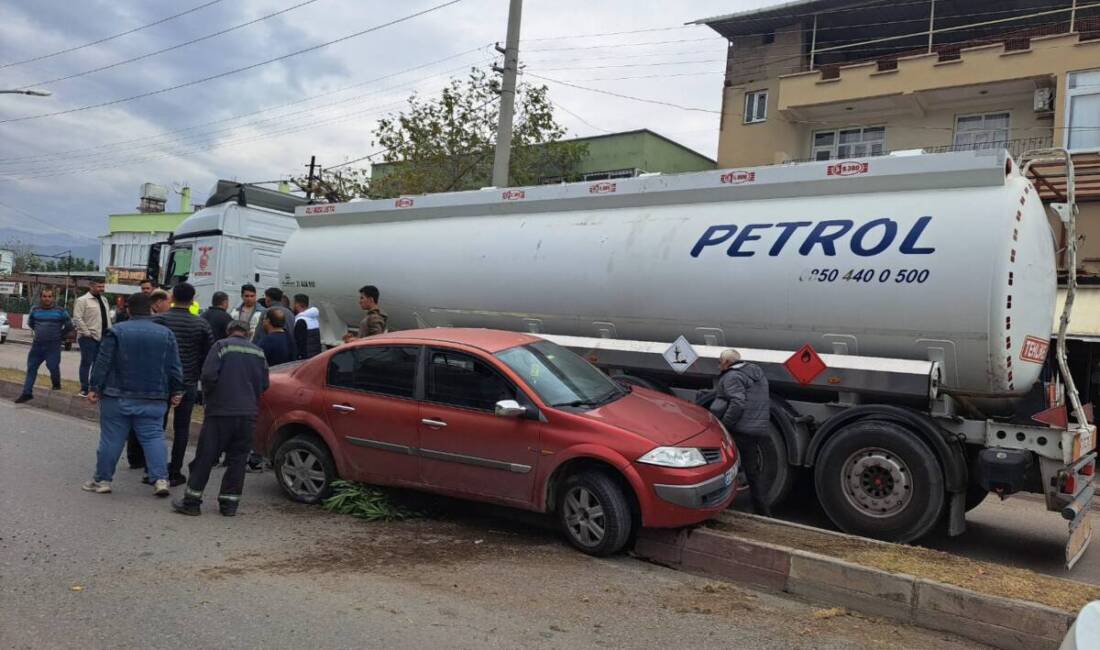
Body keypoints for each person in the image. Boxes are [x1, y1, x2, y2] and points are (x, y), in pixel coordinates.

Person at [81, 292, 184, 497]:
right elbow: (174, 365)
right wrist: (177, 390)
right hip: (154, 396)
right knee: (154, 437)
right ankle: (161, 479)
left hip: (117, 395)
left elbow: (103, 362)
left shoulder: (116, 331)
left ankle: (103, 481)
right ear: (151, 308)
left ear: (128, 309)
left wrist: (94, 388)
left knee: (112, 439)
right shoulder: (166, 333)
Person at [172, 319, 269, 517]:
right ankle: (229, 505)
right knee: (238, 460)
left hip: (221, 412)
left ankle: (192, 502)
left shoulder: (221, 346)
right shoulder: (258, 352)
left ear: (228, 331)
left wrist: (211, 397)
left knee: (206, 457)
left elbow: (208, 376)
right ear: (248, 333)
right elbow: (265, 383)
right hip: (248, 414)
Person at [154, 282, 215, 486]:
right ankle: (174, 471)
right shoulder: (201, 324)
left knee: (156, 427)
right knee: (182, 428)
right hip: (187, 381)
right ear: (192, 299)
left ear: (172, 298)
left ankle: (154, 469)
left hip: (160, 380)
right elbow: (209, 355)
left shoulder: (160, 321)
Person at [710, 348, 772, 516]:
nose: (719, 366)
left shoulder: (732, 376)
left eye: (720, 362)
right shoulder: (756, 373)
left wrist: (724, 425)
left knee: (723, 466)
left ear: (727, 363)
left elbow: (737, 403)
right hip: (756, 428)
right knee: (752, 471)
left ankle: (719, 504)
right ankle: (763, 511)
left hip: (741, 429)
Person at [15, 288, 73, 404]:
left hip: (53, 346)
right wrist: (40, 331)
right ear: (41, 297)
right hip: (37, 346)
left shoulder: (61, 311)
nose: (47, 299)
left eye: (49, 296)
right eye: (45, 296)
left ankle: (56, 384)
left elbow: (69, 325)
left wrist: (60, 335)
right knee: (31, 368)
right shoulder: (35, 309)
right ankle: (27, 393)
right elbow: (31, 323)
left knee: (53, 367)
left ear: (53, 298)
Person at [72, 280, 111, 397]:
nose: (101, 288)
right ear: (91, 286)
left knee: (98, 364)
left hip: (103, 337)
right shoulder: (82, 300)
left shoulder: (104, 300)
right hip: (88, 338)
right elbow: (77, 318)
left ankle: (95, 388)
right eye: (99, 286)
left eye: (102, 286)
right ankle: (84, 388)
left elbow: (107, 318)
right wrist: (86, 332)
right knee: (86, 362)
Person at [292, 294, 322, 359]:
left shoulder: (301, 320)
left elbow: (299, 342)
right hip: (315, 354)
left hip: (306, 357)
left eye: (294, 303)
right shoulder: (313, 318)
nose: (293, 305)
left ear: (297, 304)